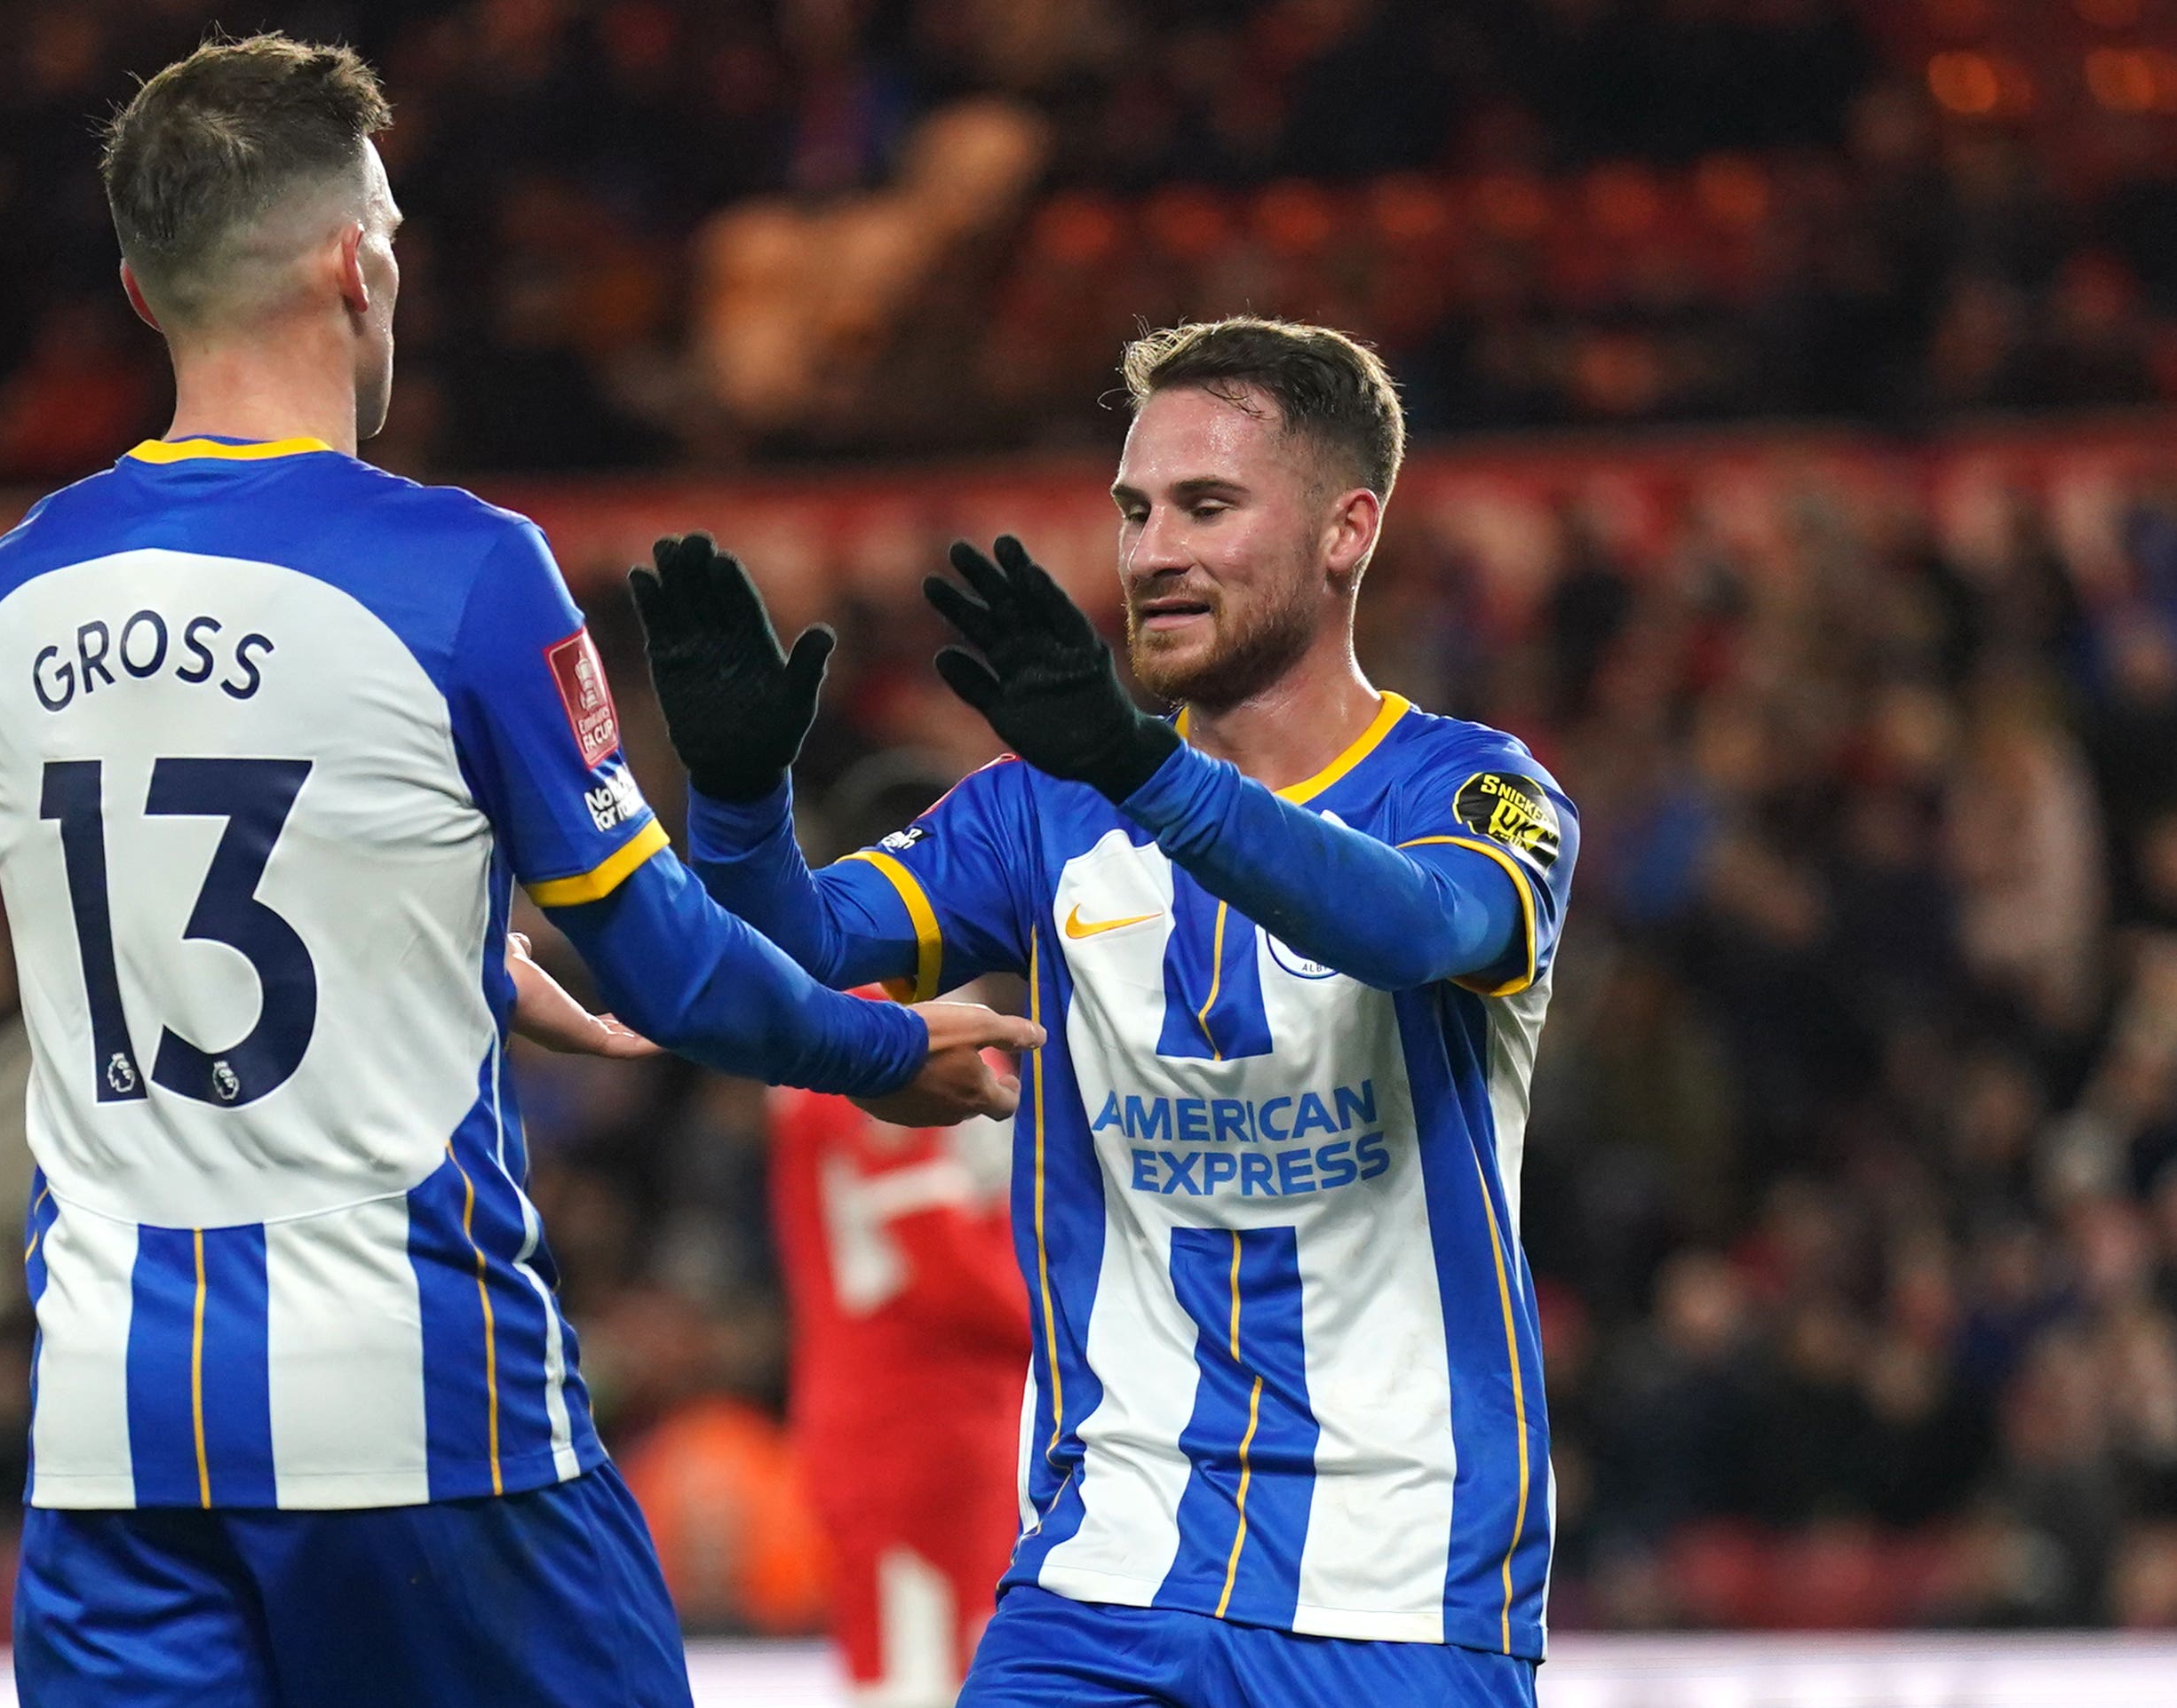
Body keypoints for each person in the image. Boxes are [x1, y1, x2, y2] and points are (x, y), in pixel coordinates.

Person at [0, 36, 1037, 1708]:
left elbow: (173, 891)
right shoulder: (458, 570)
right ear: (359, 260)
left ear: (137, 285)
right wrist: (888, 1049)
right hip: (413, 1412)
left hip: (109, 1434)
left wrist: (441, 947)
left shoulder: (13, 587)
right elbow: (669, 965)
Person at [631, 316, 1577, 1708]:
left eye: (1206, 505)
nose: (1151, 552)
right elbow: (792, 953)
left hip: (1401, 1583)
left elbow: (1413, 926)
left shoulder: (1476, 792)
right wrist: (735, 800)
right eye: (1134, 509)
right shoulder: (1044, 815)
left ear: (1345, 530)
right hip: (1102, 1579)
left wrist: (1145, 771)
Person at [770, 1001, 1029, 1707]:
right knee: (927, 1663)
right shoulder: (911, 1037)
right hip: (926, 1412)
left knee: (910, 1654)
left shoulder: (810, 1029)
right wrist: (1068, 1326)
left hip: (870, 1401)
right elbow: (935, 1254)